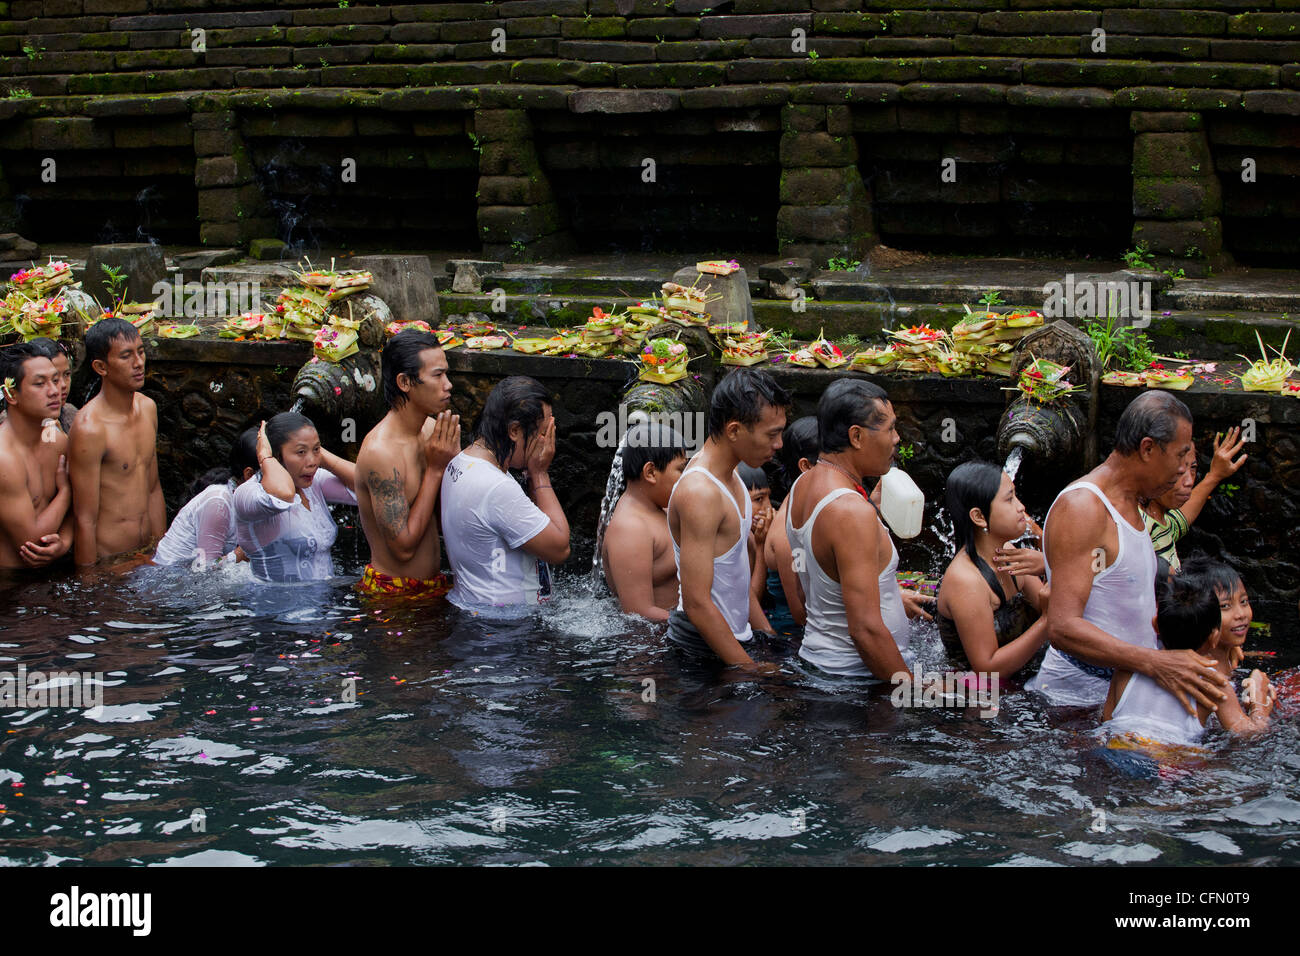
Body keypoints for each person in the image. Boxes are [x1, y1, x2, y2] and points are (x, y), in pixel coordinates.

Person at [1027, 391, 1230, 710]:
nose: (1182, 471)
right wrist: (1155, 663)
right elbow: (1063, 626)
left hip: (1124, 693)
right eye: (1180, 457)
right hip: (1074, 705)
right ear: (1148, 448)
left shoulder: (1135, 503)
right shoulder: (1084, 508)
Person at [788, 378, 915, 680]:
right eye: (890, 429)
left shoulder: (802, 486)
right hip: (854, 682)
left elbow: (802, 580)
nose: (897, 439)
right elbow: (865, 631)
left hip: (820, 666)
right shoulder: (850, 512)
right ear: (856, 436)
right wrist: (914, 693)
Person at [667, 367, 789, 672]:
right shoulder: (701, 492)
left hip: (733, 642)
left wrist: (769, 640)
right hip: (700, 653)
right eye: (772, 434)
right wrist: (748, 670)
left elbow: (736, 581)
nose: (779, 444)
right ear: (734, 431)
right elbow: (696, 603)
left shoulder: (732, 475)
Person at [1102, 562, 1274, 748]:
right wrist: (1259, 704)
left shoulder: (1127, 669)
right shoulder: (1214, 684)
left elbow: (1106, 721)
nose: (1239, 614)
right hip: (1165, 761)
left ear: (1156, 625)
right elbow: (1249, 734)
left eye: (1243, 602)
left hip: (1115, 748)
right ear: (1214, 637)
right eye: (1225, 605)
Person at [440, 376, 570, 615]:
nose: (546, 443)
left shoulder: (463, 461)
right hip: (503, 627)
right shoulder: (496, 487)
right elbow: (559, 548)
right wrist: (540, 474)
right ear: (514, 430)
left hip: (478, 613)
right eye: (542, 433)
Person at [354, 331, 460, 599]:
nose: (448, 385)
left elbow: (442, 521)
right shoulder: (381, 452)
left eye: (446, 374)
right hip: (393, 596)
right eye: (437, 375)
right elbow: (402, 549)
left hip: (436, 586)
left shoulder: (432, 430)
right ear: (404, 382)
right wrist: (436, 470)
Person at [935, 461, 1049, 681]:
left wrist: (1049, 564)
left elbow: (1048, 602)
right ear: (979, 517)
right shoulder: (966, 581)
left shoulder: (1007, 551)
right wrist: (1046, 622)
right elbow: (987, 669)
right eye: (1009, 499)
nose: (1021, 507)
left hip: (1019, 680)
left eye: (1016, 496)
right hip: (975, 700)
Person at [68, 317, 165, 567]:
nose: (139, 363)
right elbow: (84, 518)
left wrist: (162, 550)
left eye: (141, 352)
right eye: (126, 356)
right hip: (111, 562)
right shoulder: (90, 428)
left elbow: (153, 488)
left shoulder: (148, 408)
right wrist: (90, 582)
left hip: (147, 555)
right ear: (101, 367)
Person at [233, 412, 358, 583]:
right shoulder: (247, 493)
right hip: (275, 607)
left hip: (322, 604)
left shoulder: (313, 483)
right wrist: (265, 456)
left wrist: (314, 449)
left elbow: (369, 484)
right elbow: (284, 494)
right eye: (300, 452)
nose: (313, 461)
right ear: (276, 455)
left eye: (316, 450)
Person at [601, 421, 688, 621]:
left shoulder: (660, 507)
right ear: (650, 473)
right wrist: (705, 626)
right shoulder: (630, 529)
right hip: (655, 647)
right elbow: (638, 613)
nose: (686, 478)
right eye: (680, 470)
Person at [0, 342, 74, 570]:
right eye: (40, 384)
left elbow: (81, 508)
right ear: (11, 394)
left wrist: (66, 542)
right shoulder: (4, 458)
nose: (55, 390)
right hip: (10, 586)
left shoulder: (56, 440)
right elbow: (30, 543)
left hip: (54, 572)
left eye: (56, 379)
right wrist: (65, 491)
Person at [152, 427, 259, 568]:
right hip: (168, 577)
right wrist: (242, 553)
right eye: (273, 469)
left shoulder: (249, 498)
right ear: (249, 475)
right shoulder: (219, 503)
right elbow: (205, 571)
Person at [1141, 426, 1246, 570]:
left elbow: (1177, 522)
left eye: (1193, 468)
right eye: (1179, 469)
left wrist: (1215, 475)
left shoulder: (1158, 521)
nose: (1189, 481)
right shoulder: (1136, 526)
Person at [763, 416, 819, 630]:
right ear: (806, 466)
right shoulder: (788, 532)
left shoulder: (811, 510)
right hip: (791, 640)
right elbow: (800, 611)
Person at [739, 463, 776, 634]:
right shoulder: (741, 538)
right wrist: (761, 547)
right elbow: (748, 601)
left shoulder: (753, 533)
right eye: (759, 499)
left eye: (768, 497)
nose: (767, 507)